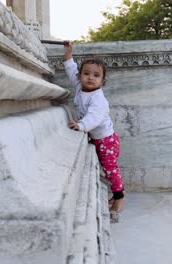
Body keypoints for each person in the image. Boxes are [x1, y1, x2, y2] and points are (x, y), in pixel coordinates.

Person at [63, 42, 125, 216]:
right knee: (105, 169)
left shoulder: (99, 99)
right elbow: (70, 70)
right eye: (86, 74)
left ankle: (119, 197)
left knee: (110, 168)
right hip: (97, 138)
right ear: (80, 76)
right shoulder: (79, 87)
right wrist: (68, 54)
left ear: (102, 81)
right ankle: (115, 193)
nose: (90, 78)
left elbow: (94, 118)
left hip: (106, 139)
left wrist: (81, 126)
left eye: (96, 75)